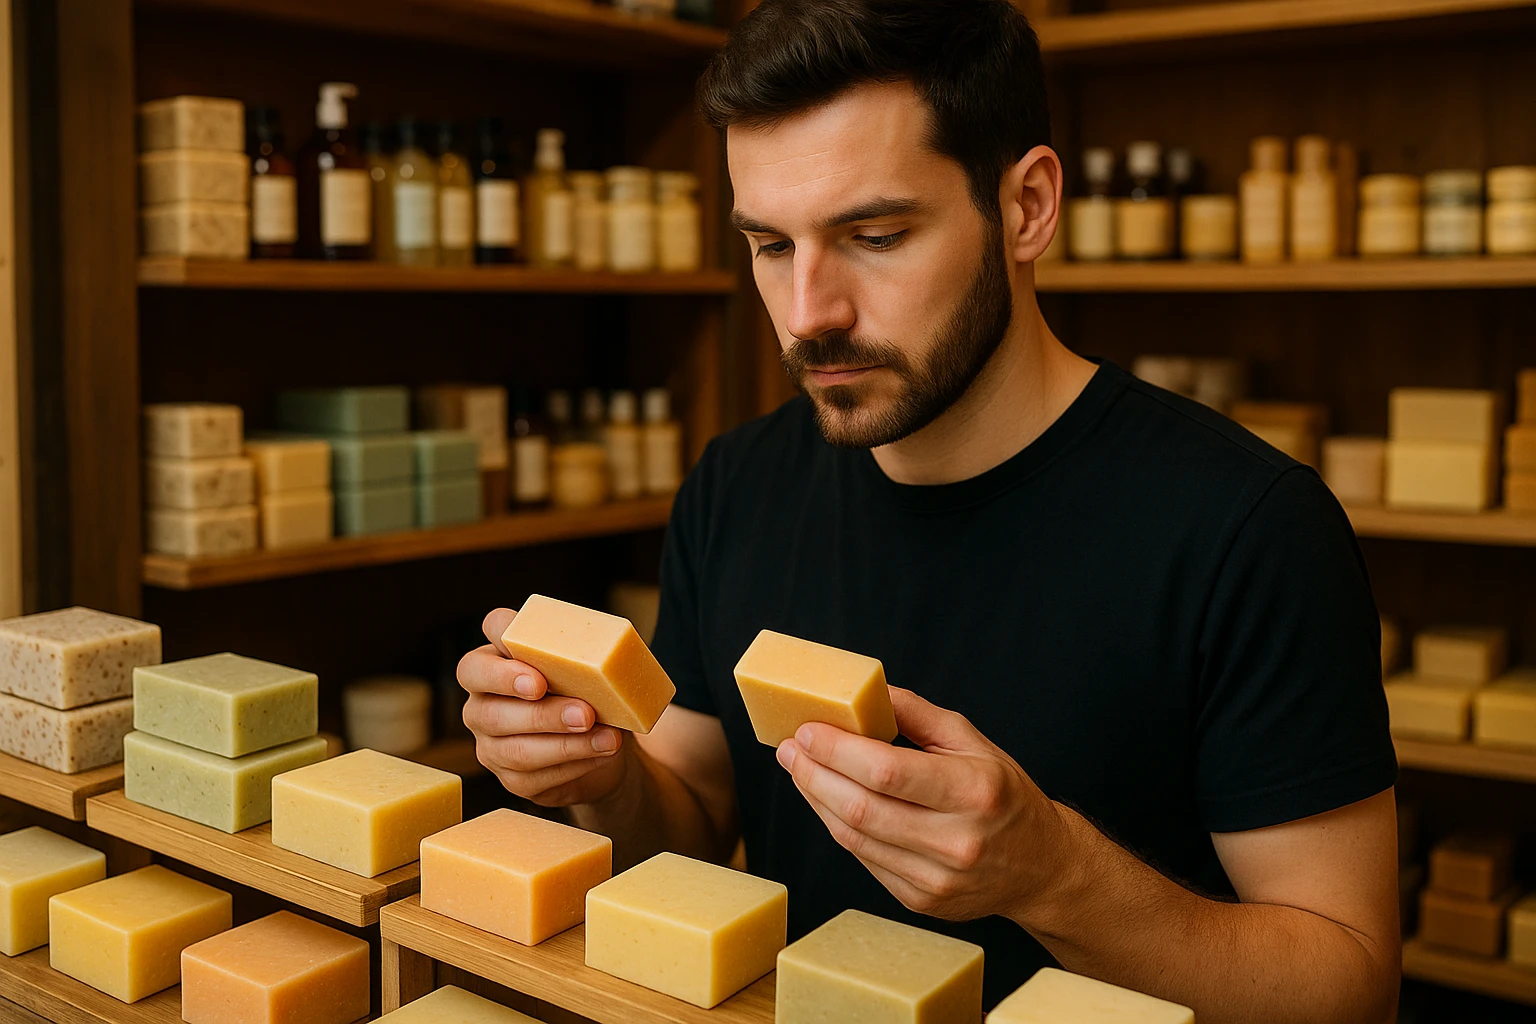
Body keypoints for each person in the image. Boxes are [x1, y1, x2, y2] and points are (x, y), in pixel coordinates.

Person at [458, 1, 1400, 1019]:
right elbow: (695, 825)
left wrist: (1057, 875)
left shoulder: (1249, 528)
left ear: (1029, 205)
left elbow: (1348, 986)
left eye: (874, 234)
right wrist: (596, 772)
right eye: (771, 245)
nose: (810, 311)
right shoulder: (736, 482)